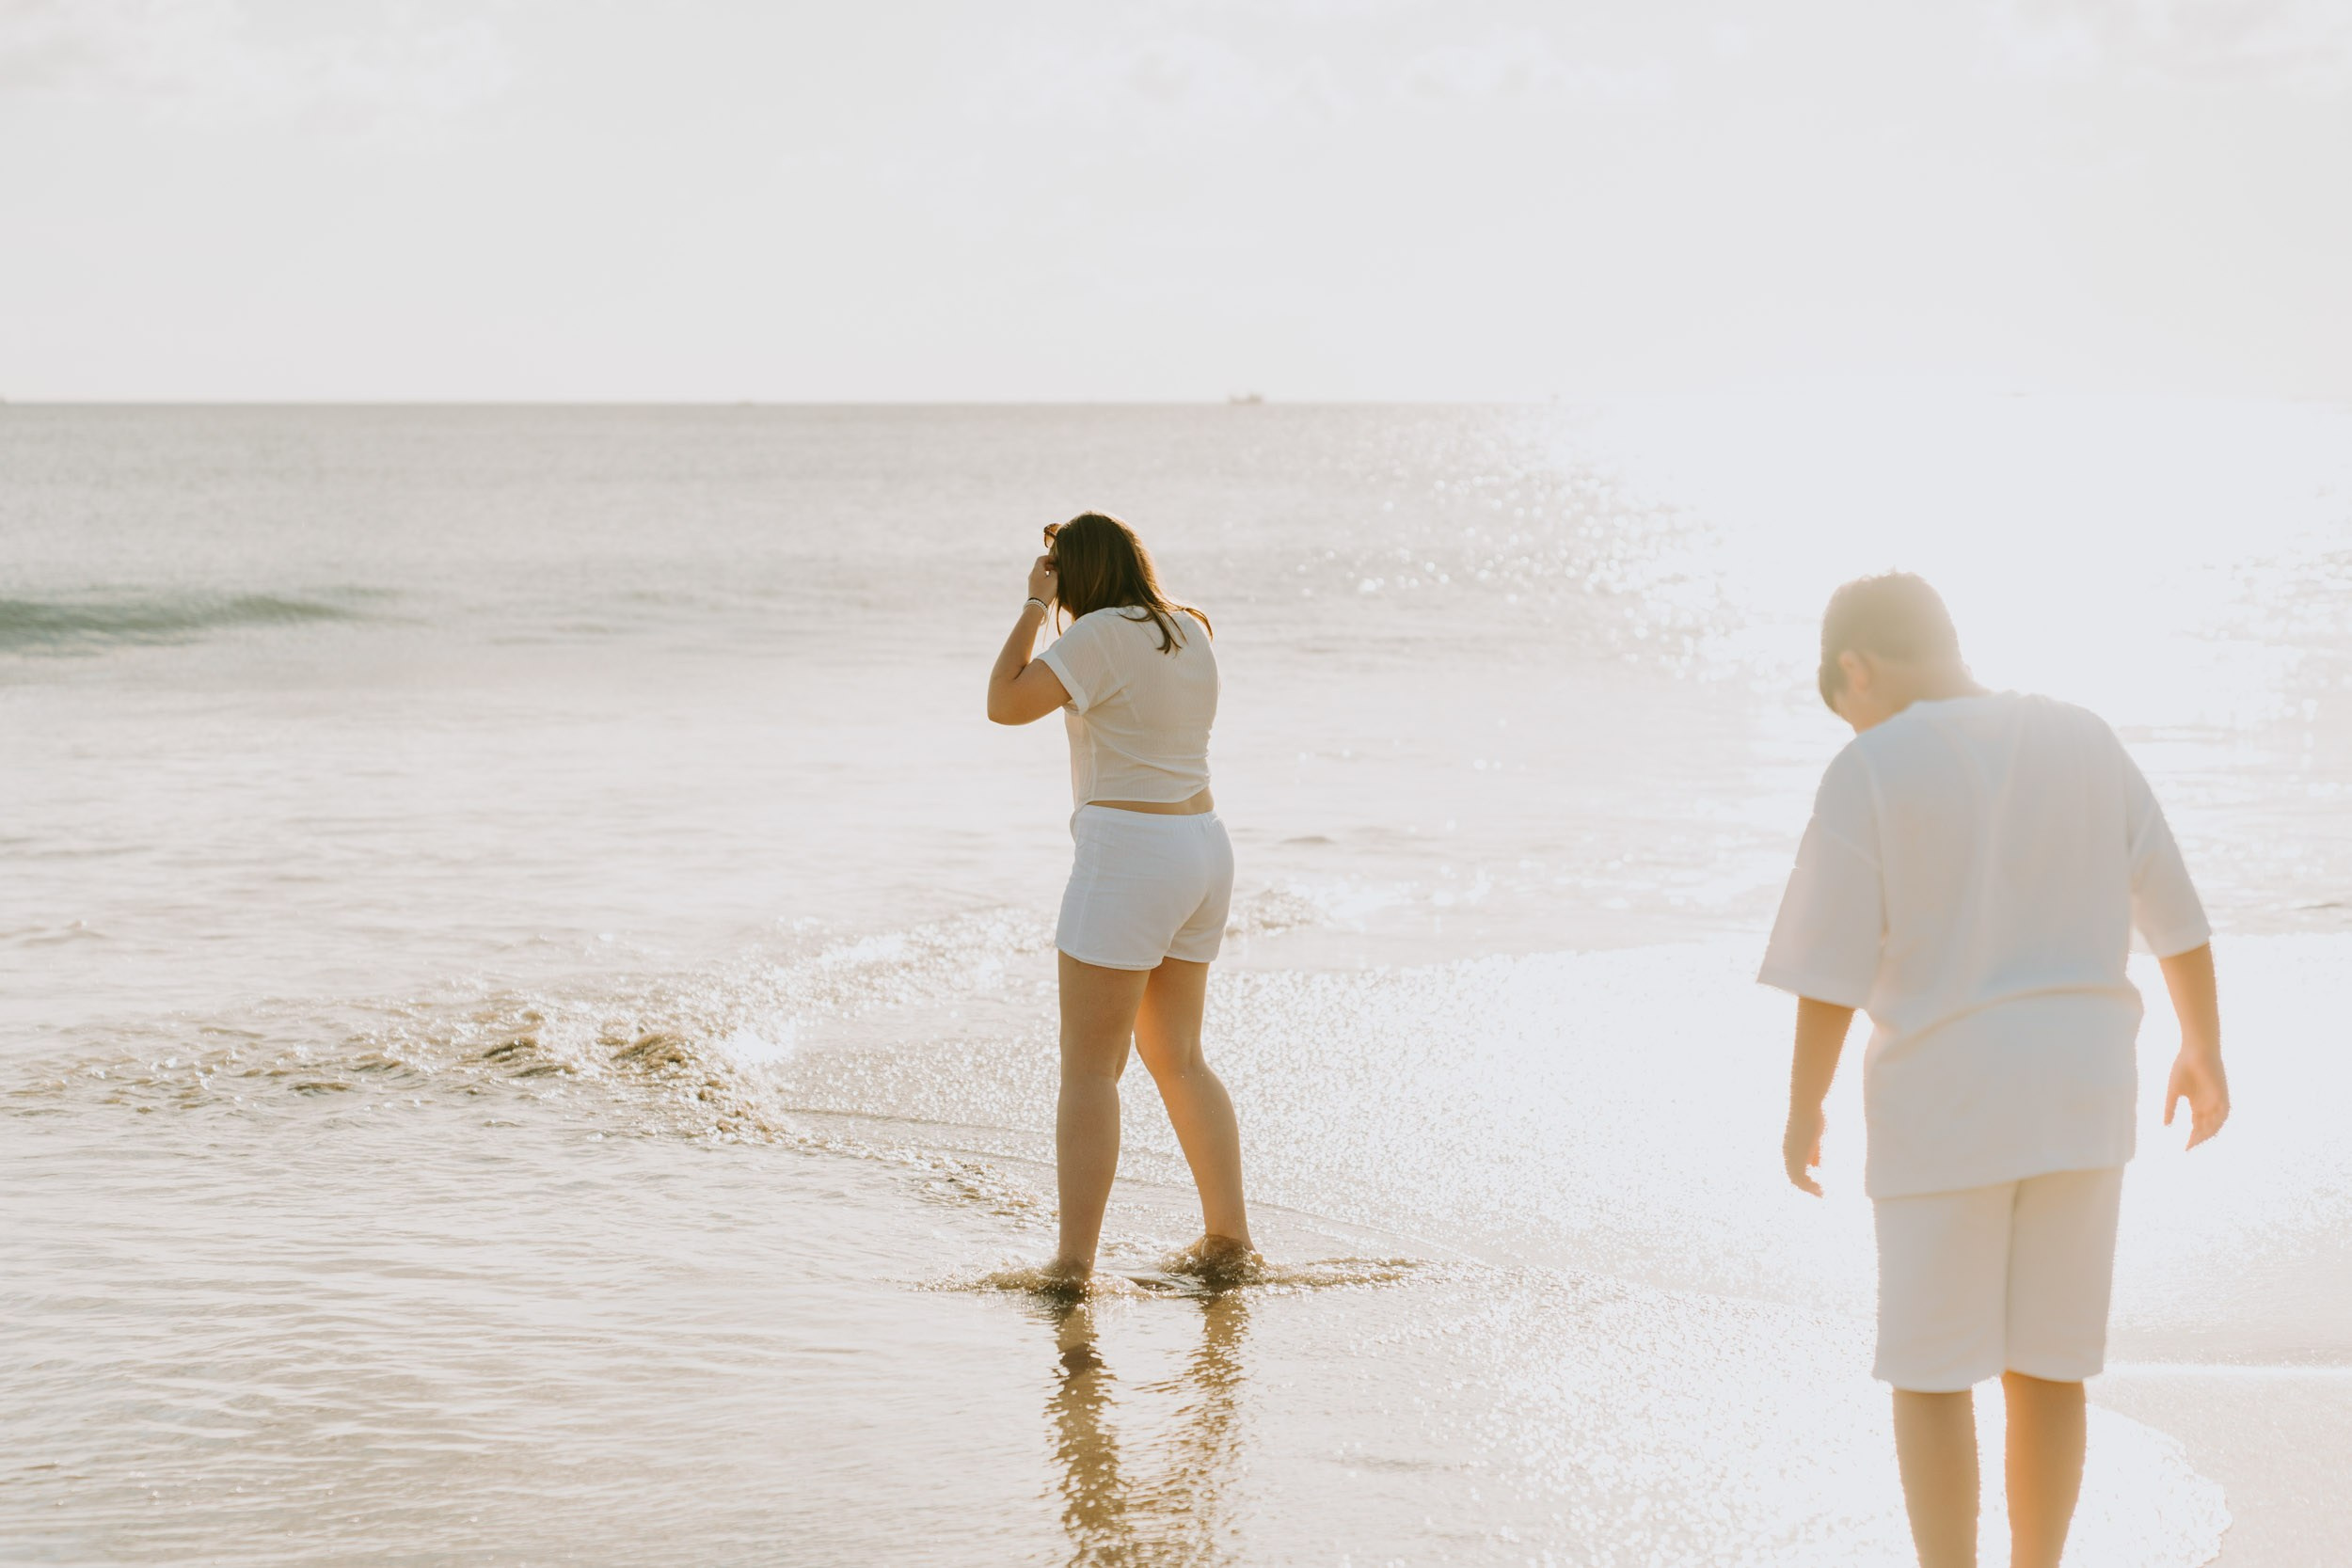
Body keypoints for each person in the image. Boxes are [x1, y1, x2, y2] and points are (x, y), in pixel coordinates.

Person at [1758, 573, 2230, 1568]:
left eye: (1845, 708)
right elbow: (2176, 913)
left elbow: (1828, 968)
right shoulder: (2081, 736)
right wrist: (2202, 1047)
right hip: (2082, 1095)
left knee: (1931, 1373)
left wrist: (1803, 1103)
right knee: (2049, 1369)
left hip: (1947, 1104)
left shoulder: (1872, 768)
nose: (1852, 726)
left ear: (1855, 667)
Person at [985, 511, 1256, 1289]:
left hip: (1130, 858)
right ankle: (1229, 1238)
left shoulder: (1095, 635)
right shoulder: (1189, 629)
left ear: (1076, 575)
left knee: (1090, 1070)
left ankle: (1073, 1265)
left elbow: (1004, 701)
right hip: (1203, 847)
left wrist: (1035, 607)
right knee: (1178, 1055)